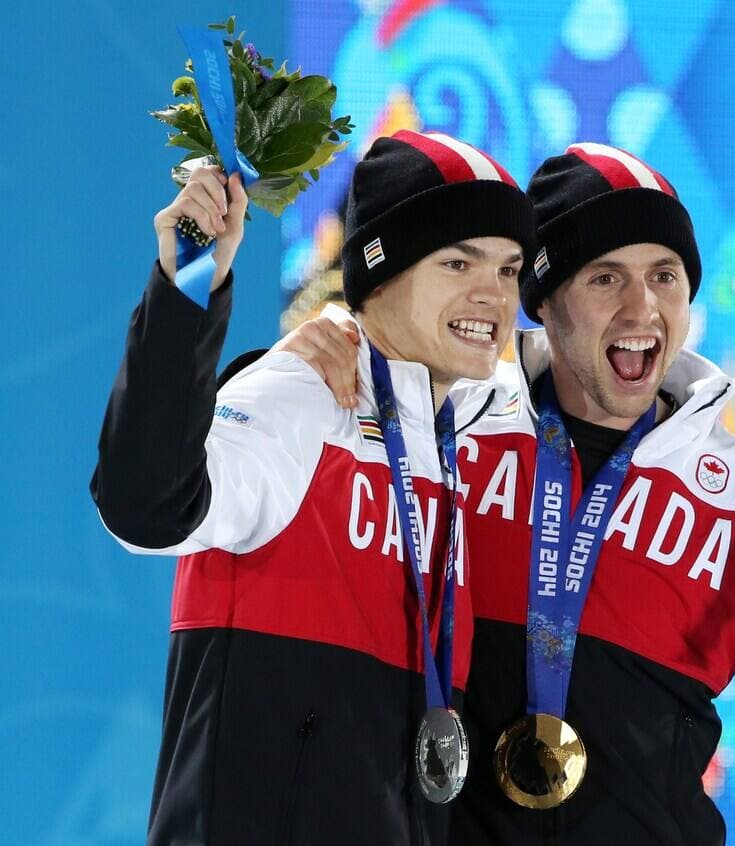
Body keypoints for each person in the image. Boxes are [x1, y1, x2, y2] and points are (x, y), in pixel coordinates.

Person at [258, 142, 735, 845]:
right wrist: (290, 368)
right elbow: (228, 487)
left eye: (664, 276)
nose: (642, 308)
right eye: (605, 277)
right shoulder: (435, 426)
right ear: (543, 300)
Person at [90, 130, 536, 845]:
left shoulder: (461, 432)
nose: (494, 295)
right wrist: (189, 284)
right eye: (459, 262)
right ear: (379, 273)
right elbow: (146, 508)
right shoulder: (300, 395)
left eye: (510, 270)